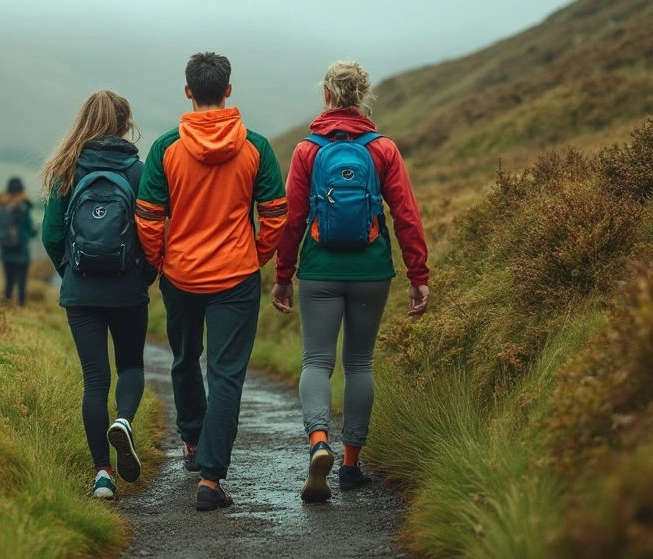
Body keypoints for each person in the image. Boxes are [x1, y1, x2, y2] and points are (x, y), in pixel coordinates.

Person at [135, 52, 288, 511]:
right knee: (226, 375)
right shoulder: (255, 145)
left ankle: (190, 441)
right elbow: (276, 215)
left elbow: (147, 218)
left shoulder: (166, 148)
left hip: (180, 275)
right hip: (236, 278)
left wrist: (164, 261)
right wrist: (253, 257)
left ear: (188, 91)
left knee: (184, 358)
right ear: (228, 90)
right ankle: (211, 479)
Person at [272, 61, 430, 503]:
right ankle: (350, 465)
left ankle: (318, 441)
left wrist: (284, 276)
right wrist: (418, 274)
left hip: (320, 268)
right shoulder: (383, 149)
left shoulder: (307, 150)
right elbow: (407, 215)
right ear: (363, 96)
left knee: (316, 362)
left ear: (325, 95)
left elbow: (293, 219)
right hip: (371, 269)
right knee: (359, 363)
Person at [41, 90, 157, 500]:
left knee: (94, 380)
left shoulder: (66, 170)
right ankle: (123, 421)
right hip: (127, 288)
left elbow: (51, 236)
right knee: (130, 367)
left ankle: (103, 476)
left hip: (81, 291)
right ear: (126, 124)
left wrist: (71, 273)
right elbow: (153, 233)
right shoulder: (139, 172)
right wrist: (145, 274)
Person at [0, 176, 36, 306]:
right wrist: (34, 232)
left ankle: (6, 305)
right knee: (21, 282)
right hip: (21, 250)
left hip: (5, 249)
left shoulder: (1, 206)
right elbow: (29, 229)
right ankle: (21, 306)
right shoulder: (23, 206)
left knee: (9, 280)